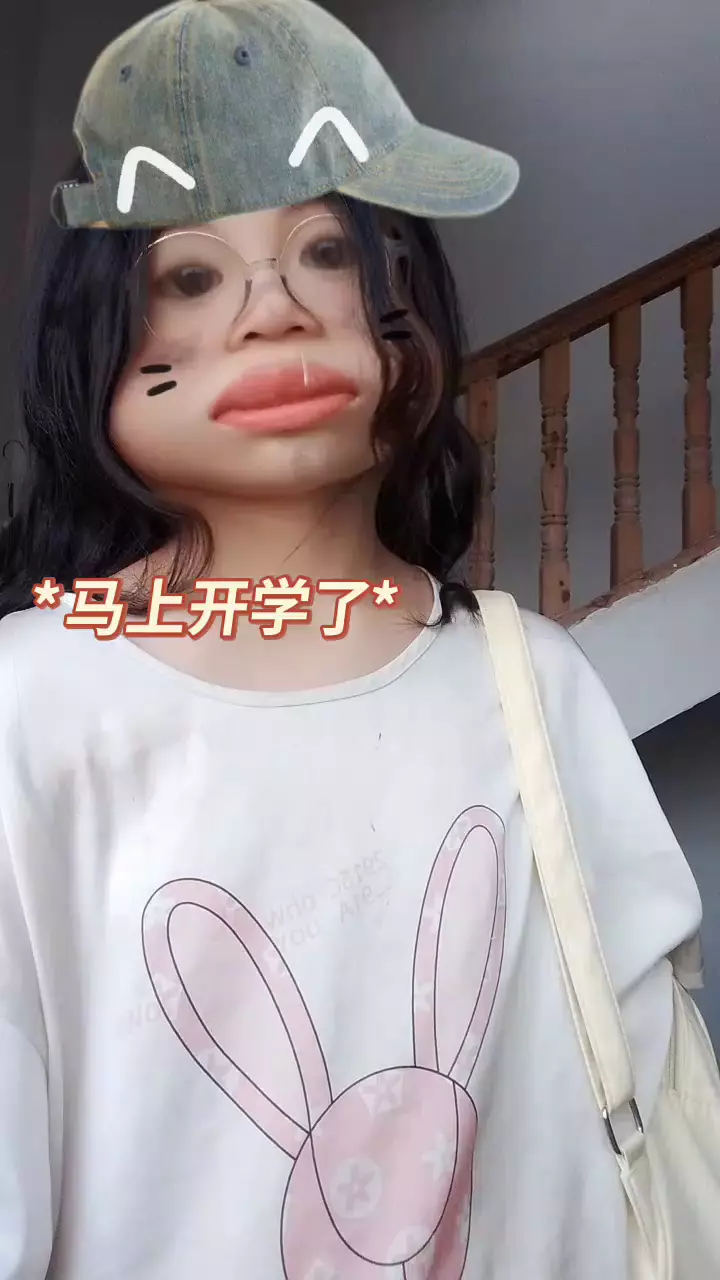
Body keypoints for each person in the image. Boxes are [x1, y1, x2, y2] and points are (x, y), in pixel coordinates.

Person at [0, 1, 704, 1277]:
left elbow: (646, 1090)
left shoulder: (536, 681)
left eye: (327, 252)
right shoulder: (33, 701)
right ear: (91, 342)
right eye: (192, 275)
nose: (274, 311)